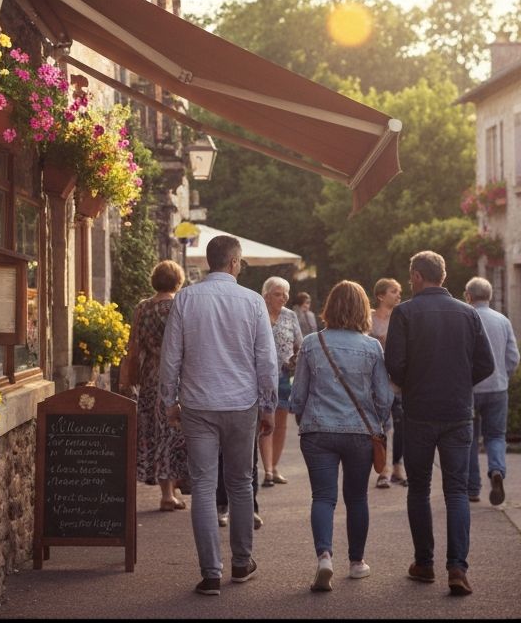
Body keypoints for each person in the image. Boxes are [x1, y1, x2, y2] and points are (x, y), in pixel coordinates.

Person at [159, 234, 279, 596]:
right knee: (240, 483)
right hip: (241, 403)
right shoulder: (253, 301)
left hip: (197, 404)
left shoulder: (186, 298)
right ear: (234, 262)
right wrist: (269, 405)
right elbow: (267, 360)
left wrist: (169, 401)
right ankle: (241, 563)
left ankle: (210, 573)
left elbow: (171, 356)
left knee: (204, 486)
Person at [384, 250, 495, 597]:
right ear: (443, 276)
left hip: (419, 411)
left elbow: (394, 364)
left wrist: (414, 384)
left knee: (419, 488)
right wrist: (460, 382)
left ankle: (424, 563)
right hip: (458, 411)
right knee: (457, 491)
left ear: (417, 276)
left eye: (410, 276)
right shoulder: (468, 313)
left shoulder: (404, 313)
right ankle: (458, 568)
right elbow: (487, 364)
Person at [290, 280, 393, 592]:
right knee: (357, 497)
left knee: (323, 497)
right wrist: (380, 424)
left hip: (318, 430)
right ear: (363, 309)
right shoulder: (372, 347)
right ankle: (357, 562)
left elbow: (298, 395)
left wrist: (304, 420)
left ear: (329, 307)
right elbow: (384, 398)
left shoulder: (312, 343)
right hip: (359, 432)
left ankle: (324, 556)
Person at [121, 260, 189, 511]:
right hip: (177, 376)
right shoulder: (179, 306)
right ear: (178, 281)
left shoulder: (143, 307)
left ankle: (167, 492)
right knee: (173, 432)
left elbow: (133, 345)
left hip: (150, 376)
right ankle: (171, 492)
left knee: (155, 431)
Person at [464, 276, 520, 506]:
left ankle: (472, 488)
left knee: (469, 438)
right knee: (495, 435)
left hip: (470, 388)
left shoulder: (465, 319)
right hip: (497, 388)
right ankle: (496, 470)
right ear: (490, 296)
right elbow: (513, 357)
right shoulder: (502, 320)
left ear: (468, 296)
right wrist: (503, 376)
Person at [259, 277, 302, 486]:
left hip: (284, 375)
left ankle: (274, 467)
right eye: (278, 294)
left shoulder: (290, 315)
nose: (283, 297)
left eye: (286, 293)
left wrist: (294, 361)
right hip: (260, 376)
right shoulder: (257, 313)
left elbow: (299, 345)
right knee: (265, 422)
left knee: (281, 424)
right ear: (266, 296)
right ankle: (267, 470)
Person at [369, 278, 407, 489]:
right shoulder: (369, 318)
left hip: (397, 380)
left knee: (400, 424)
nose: (398, 295)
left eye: (399, 291)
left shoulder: (401, 318)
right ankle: (383, 469)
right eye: (393, 291)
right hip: (375, 379)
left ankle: (398, 466)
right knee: (381, 425)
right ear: (381, 295)